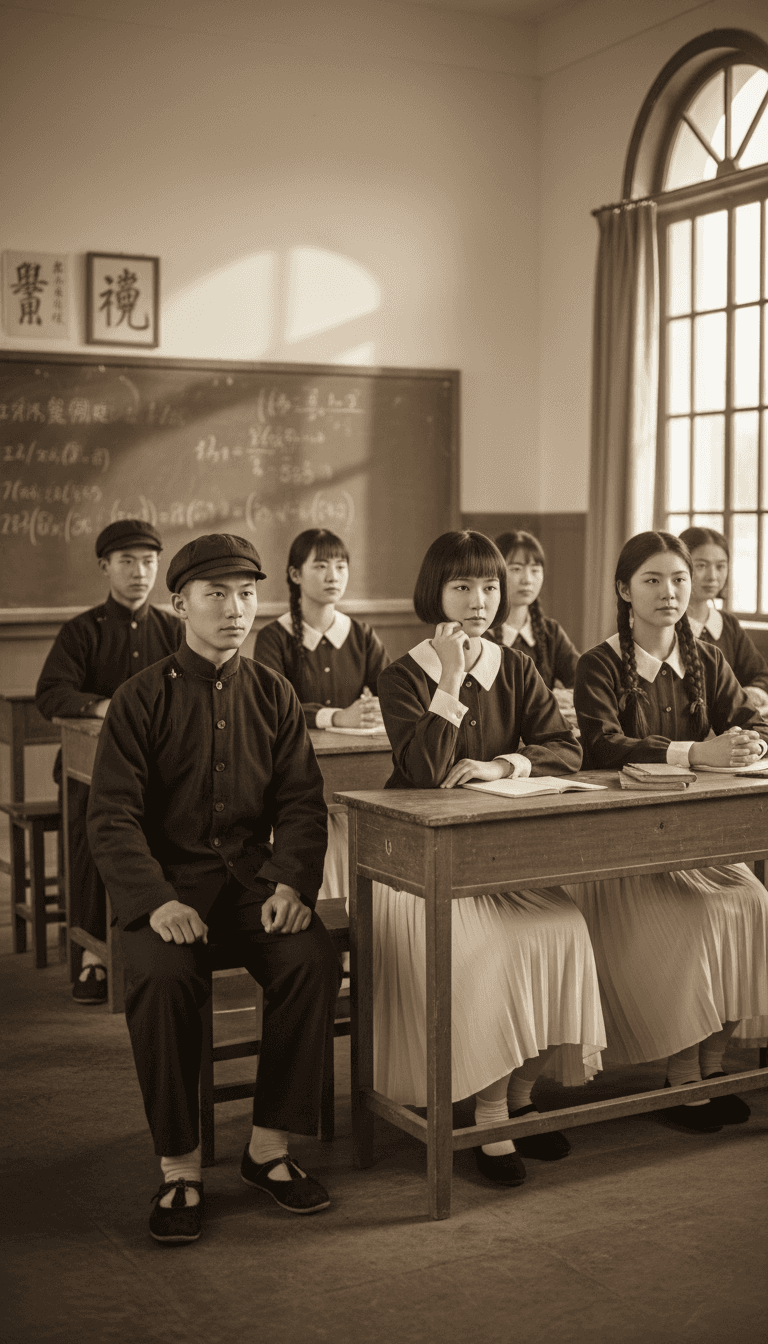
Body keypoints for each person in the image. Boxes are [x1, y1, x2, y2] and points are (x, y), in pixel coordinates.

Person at [86, 534, 340, 1244]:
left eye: (247, 594)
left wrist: (290, 884)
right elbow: (111, 817)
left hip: (252, 885)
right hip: (167, 889)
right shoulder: (140, 698)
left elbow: (302, 803)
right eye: (216, 594)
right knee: (161, 977)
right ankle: (179, 1167)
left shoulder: (273, 691)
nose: (235, 609)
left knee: (312, 959)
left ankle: (268, 1149)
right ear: (180, 604)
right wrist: (155, 900)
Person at [373, 530, 605, 1188]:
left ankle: (521, 1095)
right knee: (501, 949)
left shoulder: (517, 666)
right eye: (462, 587)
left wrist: (503, 764)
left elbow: (565, 748)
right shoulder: (402, 675)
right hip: (421, 871)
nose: (479, 601)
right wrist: (450, 677)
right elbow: (424, 770)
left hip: (500, 863)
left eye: (490, 587)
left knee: (566, 930)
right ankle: (490, 1113)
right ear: (435, 592)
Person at [572, 530, 768, 1132]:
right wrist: (695, 753)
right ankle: (681, 1078)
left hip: (697, 842)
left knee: (755, 903)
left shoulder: (707, 657)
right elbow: (602, 746)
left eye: (679, 579)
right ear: (623, 590)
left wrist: (751, 744)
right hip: (625, 850)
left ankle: (711, 1067)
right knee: (699, 917)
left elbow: (751, 720)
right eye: (652, 580)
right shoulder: (599, 663)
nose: (670, 592)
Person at [35, 519, 182, 1003]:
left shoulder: (173, 629)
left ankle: (164, 939)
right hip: (91, 770)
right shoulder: (82, 631)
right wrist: (103, 705)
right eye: (127, 562)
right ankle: (93, 955)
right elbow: (51, 693)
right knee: (91, 831)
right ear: (105, 566)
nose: (139, 572)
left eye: (148, 562)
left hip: (162, 771)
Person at [255, 528, 390, 905]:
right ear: (295, 574)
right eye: (321, 566)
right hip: (294, 772)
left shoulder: (361, 634)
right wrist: (336, 717)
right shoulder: (274, 636)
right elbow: (271, 706)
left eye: (341, 565)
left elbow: (393, 694)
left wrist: (376, 709)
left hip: (353, 776)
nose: (334, 575)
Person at [489, 530, 580, 727]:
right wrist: (551, 700)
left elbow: (586, 683)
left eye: (535, 570)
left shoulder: (550, 632)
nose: (527, 579)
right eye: (516, 569)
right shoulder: (479, 634)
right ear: (494, 573)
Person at [679, 525, 768, 710]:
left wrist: (751, 694)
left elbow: (760, 675)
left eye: (720, 566)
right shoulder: (665, 624)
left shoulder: (728, 624)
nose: (713, 576)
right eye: (701, 565)